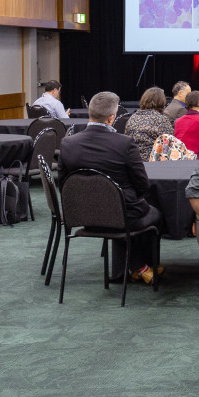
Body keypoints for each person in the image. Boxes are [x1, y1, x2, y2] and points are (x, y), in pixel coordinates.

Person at [60, 91, 162, 283]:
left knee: (119, 208)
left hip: (82, 216)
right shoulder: (124, 144)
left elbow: (64, 185)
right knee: (153, 211)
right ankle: (143, 267)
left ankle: (135, 268)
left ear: (90, 114)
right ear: (111, 118)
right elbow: (142, 185)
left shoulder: (67, 144)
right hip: (121, 217)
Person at [125, 86, 175, 160]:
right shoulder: (161, 120)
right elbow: (169, 145)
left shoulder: (132, 117)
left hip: (132, 161)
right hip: (153, 163)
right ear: (161, 102)